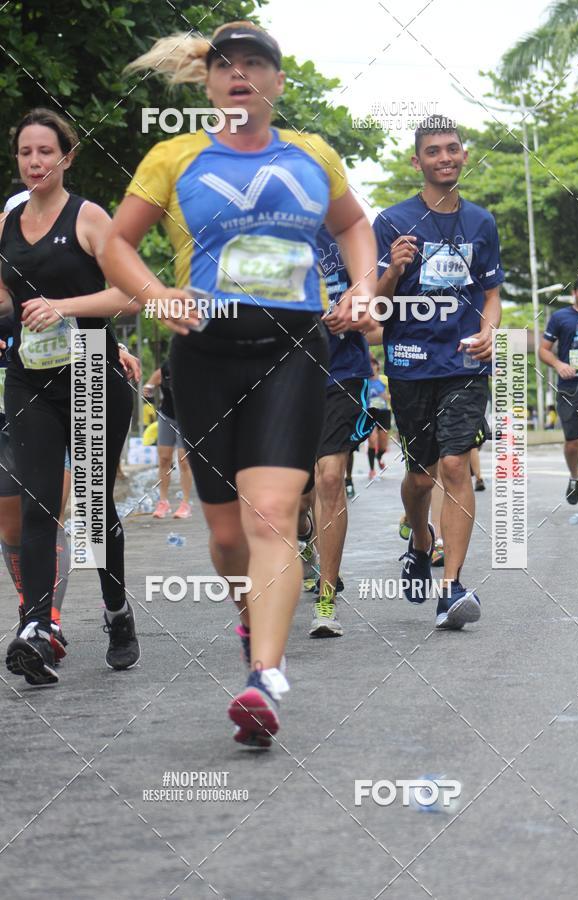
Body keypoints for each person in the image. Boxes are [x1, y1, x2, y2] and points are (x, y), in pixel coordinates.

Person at [100, 22, 376, 746]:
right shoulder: (174, 157)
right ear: (211, 82)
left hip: (292, 347)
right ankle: (254, 611)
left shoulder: (313, 155)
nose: (241, 74)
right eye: (227, 65)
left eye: (257, 64)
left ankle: (264, 677)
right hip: (204, 354)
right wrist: (156, 291)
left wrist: (364, 283)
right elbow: (117, 243)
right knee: (225, 535)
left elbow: (353, 226)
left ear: (278, 83)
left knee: (271, 516)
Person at [1, 108, 141, 685]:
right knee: (38, 502)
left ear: (67, 156)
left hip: (89, 372)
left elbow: (132, 295)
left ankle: (117, 611)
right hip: (29, 375)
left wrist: (65, 307)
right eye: (26, 152)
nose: (35, 162)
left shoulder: (88, 218)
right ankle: (38, 630)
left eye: (46, 152)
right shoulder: (6, 220)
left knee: (89, 509)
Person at [374, 114, 503, 630]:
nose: (445, 157)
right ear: (418, 161)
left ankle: (451, 589)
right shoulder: (389, 222)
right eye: (434, 151)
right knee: (421, 475)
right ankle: (419, 538)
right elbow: (374, 307)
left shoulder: (482, 223)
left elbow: (490, 295)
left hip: (464, 363)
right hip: (409, 366)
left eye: (453, 148)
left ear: (464, 155)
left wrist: (491, 330)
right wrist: (392, 270)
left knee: (455, 467)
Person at [305, 225, 374, 638]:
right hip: (284, 375)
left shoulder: (347, 233)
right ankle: (305, 540)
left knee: (330, 477)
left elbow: (376, 300)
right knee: (294, 497)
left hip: (340, 372)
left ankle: (326, 599)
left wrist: (357, 307)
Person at [540, 274, 578, 513]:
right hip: (569, 389)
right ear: (575, 293)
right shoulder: (560, 317)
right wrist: (558, 365)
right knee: (572, 443)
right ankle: (575, 475)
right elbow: (543, 350)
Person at [143, 358, 193, 519]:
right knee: (164, 459)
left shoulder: (197, 367)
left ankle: (185, 504)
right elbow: (149, 386)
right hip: (167, 415)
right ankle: (163, 502)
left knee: (183, 460)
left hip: (187, 417)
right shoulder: (165, 369)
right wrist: (148, 390)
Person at [366, 357, 390, 480]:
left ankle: (379, 457)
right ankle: (371, 469)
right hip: (370, 412)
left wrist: (386, 397)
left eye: (373, 364)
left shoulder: (384, 379)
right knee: (372, 439)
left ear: (377, 366)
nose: (371, 367)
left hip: (384, 413)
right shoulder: (364, 381)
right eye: (368, 365)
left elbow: (393, 394)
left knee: (383, 443)